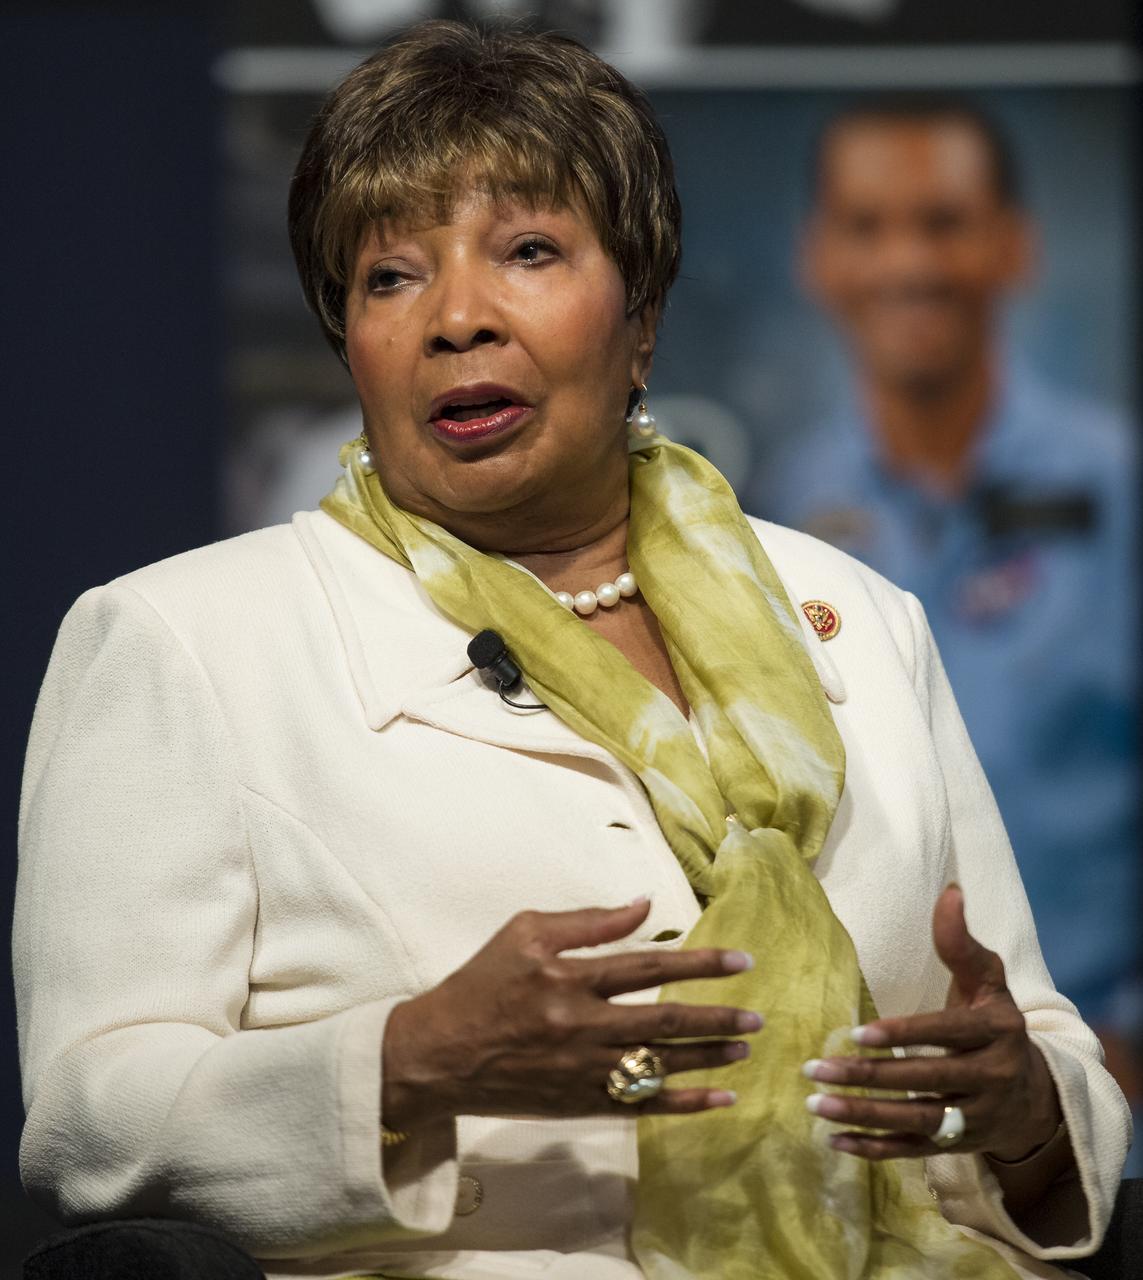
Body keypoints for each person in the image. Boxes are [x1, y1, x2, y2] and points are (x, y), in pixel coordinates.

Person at [15, 24, 1130, 1280]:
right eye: (391, 276)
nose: (457, 319)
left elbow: (1040, 1048)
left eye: (529, 251)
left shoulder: (857, 613)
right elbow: (91, 1125)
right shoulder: (182, 641)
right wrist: (411, 1059)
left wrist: (1025, 1109)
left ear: (640, 318)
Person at [750, 95, 1141, 1156]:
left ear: (1014, 244)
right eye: (867, 227)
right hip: (862, 1109)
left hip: (1103, 1095)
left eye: (942, 222)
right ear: (818, 258)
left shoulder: (1121, 489)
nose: (907, 262)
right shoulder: (769, 517)